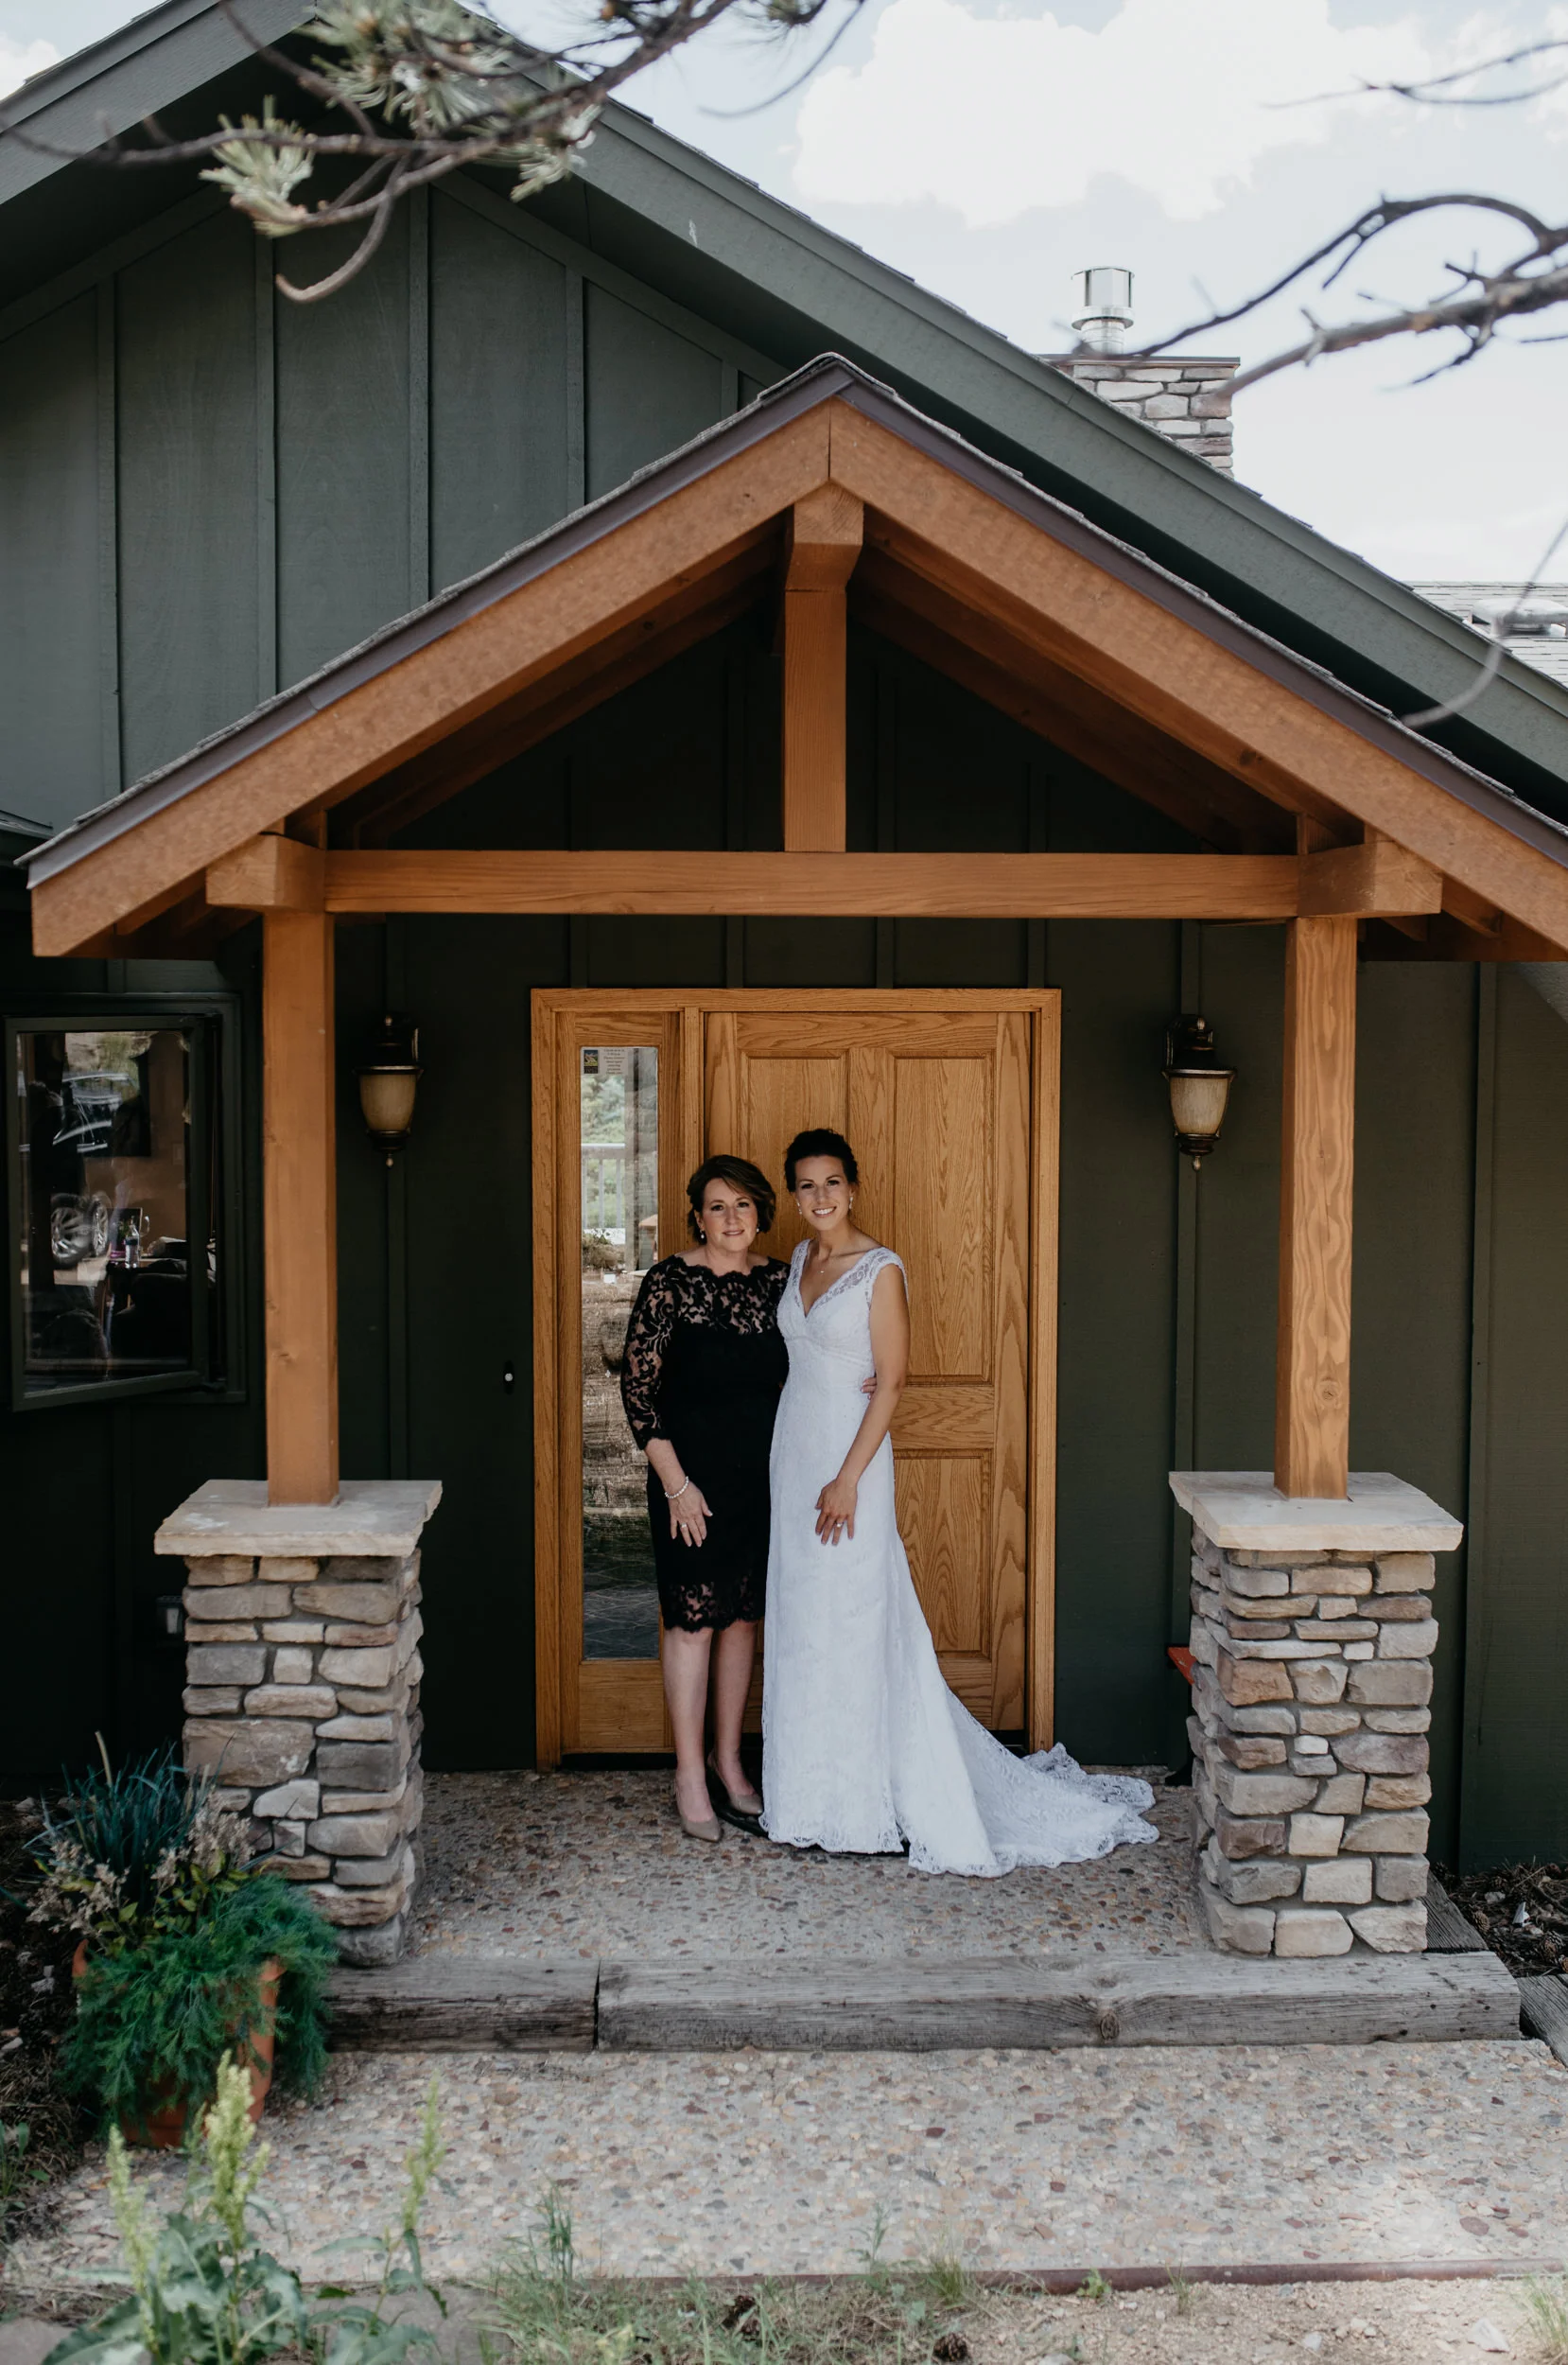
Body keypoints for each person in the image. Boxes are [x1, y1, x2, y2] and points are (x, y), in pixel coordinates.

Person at [760, 1127, 1159, 1875]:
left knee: (853, 1618)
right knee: (803, 1622)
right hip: (794, 1459)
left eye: (832, 1183)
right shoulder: (799, 1261)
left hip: (852, 1464)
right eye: (806, 1185)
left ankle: (860, 1804)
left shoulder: (879, 1270)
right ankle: (804, 1797)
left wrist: (847, 1476)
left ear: (854, 1187)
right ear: (794, 1194)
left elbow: (895, 1380)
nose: (820, 1198)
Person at [620, 1156, 788, 1841]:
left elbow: (821, 1354)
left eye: (743, 1205)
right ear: (697, 1216)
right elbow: (637, 1390)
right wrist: (677, 1487)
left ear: (761, 1213)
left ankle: (728, 1759)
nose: (731, 1219)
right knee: (692, 1621)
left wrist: (861, 1380)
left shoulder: (781, 1282)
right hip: (686, 1480)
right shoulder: (669, 1282)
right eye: (717, 1206)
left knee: (742, 1619)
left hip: (764, 1479)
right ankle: (689, 1769)